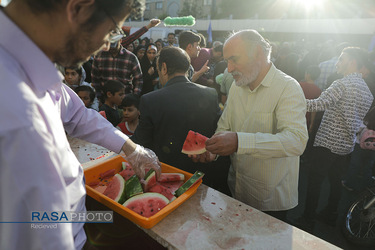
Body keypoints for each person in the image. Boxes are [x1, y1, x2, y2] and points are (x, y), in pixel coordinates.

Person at [0, 1, 161, 249]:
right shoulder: (20, 122)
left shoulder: (24, 67)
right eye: (110, 31)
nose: (107, 43)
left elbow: (78, 115)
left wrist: (131, 148)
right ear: (80, 7)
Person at [192, 30, 308, 222]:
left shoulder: (288, 88)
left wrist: (239, 141)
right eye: (227, 60)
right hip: (236, 189)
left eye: (234, 59)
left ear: (259, 54)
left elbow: (297, 141)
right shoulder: (237, 87)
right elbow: (224, 127)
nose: (228, 69)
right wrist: (213, 150)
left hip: (271, 200)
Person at [131, 46, 230, 194]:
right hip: (201, 176)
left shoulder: (150, 99)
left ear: (163, 68)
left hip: (166, 176)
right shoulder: (209, 94)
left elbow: (141, 143)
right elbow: (217, 132)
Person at [296, 47, 373, 230]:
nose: (337, 63)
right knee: (335, 181)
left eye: (341, 59)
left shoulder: (342, 84)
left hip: (327, 143)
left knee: (315, 181)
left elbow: (318, 104)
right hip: (346, 145)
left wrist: (291, 100)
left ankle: (307, 219)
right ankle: (330, 215)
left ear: (352, 62)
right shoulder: (367, 93)